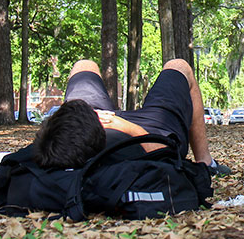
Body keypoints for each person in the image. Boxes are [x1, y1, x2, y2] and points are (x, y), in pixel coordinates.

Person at [34, 58, 229, 175]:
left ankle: (88, 118)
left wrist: (82, 118)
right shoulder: (107, 165)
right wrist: (125, 127)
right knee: (179, 66)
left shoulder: (56, 150)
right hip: (151, 130)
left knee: (84, 65)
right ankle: (205, 162)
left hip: (88, 122)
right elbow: (166, 154)